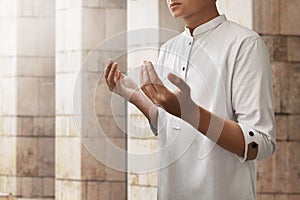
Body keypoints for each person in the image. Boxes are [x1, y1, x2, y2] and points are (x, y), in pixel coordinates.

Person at [104, 0, 276, 199]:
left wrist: (191, 113)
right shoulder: (169, 49)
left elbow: (261, 143)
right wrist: (134, 96)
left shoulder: (245, 45)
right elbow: (170, 125)